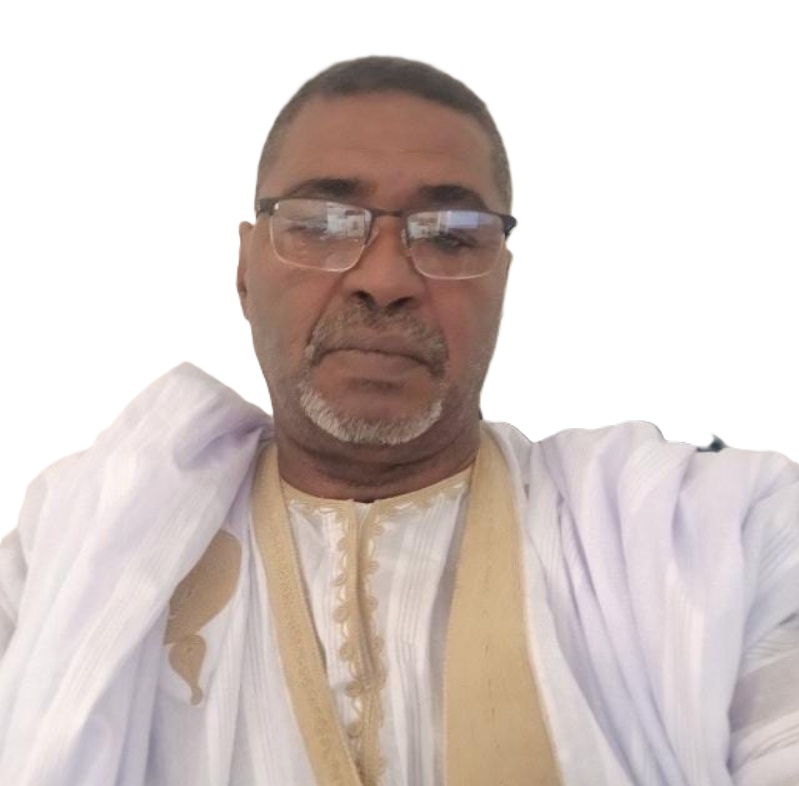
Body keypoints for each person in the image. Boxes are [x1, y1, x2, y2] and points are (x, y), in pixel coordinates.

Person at [0, 56, 797, 786]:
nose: (383, 280)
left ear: (500, 280)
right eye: (320, 223)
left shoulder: (703, 537)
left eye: (450, 236)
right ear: (245, 269)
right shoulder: (70, 549)